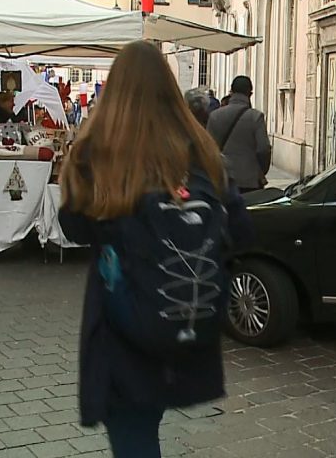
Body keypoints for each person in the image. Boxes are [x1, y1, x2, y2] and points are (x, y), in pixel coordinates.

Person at [57, 41, 251, 458]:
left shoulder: (99, 150)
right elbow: (240, 227)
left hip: (122, 326)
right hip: (182, 321)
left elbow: (73, 226)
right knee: (145, 430)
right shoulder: (201, 150)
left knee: (133, 437)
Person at [207, 76, 272, 194]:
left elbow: (208, 149)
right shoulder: (256, 117)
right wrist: (260, 170)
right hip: (250, 181)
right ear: (250, 93)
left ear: (231, 92)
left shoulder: (215, 116)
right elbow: (264, 149)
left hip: (222, 179)